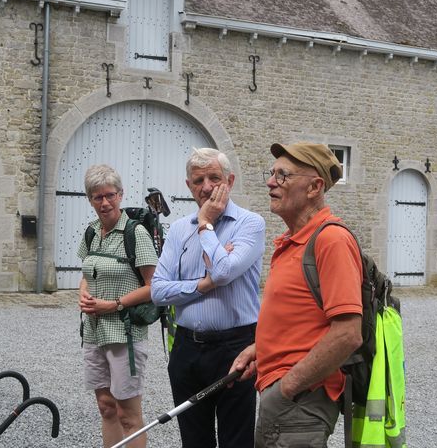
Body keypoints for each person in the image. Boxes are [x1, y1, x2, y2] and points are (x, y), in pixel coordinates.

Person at [231, 142, 363, 448]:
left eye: (283, 175)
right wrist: (260, 349)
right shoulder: (292, 241)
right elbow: (300, 321)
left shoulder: (331, 240)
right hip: (287, 398)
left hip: (300, 401)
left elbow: (347, 334)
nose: (270, 182)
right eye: (272, 173)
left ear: (314, 187)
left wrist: (286, 387)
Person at [151, 148, 266, 448]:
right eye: (198, 180)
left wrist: (206, 225)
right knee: (194, 440)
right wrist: (203, 285)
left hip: (236, 346)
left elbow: (225, 271)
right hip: (187, 347)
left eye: (214, 178)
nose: (206, 187)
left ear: (229, 180)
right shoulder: (177, 230)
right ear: (188, 185)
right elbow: (158, 291)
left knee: (236, 441)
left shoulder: (250, 224)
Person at [78, 164, 158, 448]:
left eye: (110, 195)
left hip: (125, 334)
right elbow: (87, 273)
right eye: (97, 197)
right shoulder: (90, 232)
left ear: (121, 195)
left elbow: (153, 286)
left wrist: (114, 305)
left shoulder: (135, 234)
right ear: (90, 199)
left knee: (128, 414)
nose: (105, 203)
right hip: (93, 332)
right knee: (106, 406)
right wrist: (83, 294)